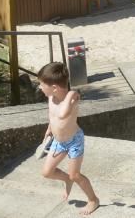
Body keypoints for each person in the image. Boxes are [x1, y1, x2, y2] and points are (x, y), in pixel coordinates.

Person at [37, 62, 99, 215]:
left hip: (74, 141)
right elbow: (52, 115)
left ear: (55, 88)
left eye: (41, 84)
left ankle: (93, 200)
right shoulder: (51, 97)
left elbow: (63, 114)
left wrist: (71, 94)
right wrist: (49, 129)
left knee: (75, 174)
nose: (39, 87)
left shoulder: (72, 99)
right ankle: (67, 179)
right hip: (59, 141)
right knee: (47, 172)